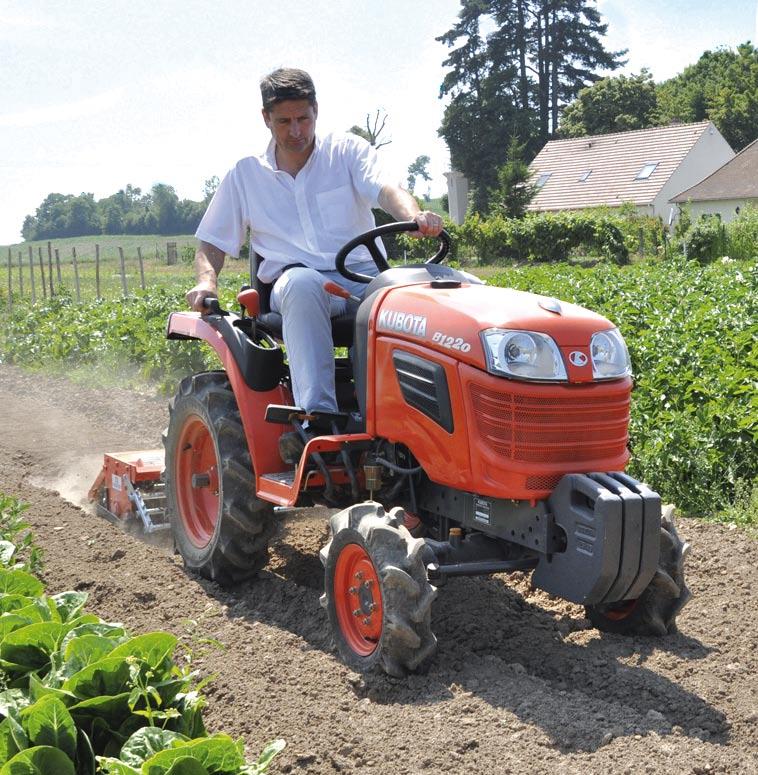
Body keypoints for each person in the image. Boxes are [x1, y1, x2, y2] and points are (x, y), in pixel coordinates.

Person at [186, 67, 443, 463]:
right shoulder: (246, 175)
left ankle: (419, 421)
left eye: (303, 118)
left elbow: (387, 189)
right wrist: (207, 283)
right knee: (305, 284)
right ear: (266, 119)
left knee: (427, 298)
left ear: (316, 112)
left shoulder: (347, 153)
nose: (296, 131)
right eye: (284, 121)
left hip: (362, 280)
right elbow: (213, 241)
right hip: (294, 287)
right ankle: (318, 423)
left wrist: (415, 216)